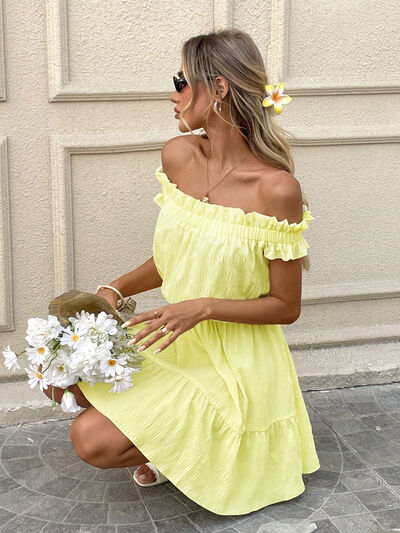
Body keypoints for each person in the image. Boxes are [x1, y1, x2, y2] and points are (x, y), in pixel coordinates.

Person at [43, 28, 320, 516]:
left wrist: (203, 308)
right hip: (173, 336)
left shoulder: (276, 189)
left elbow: (286, 307)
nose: (172, 95)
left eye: (181, 81)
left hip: (237, 359)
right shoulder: (178, 155)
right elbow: (176, 257)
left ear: (219, 88)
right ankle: (180, 445)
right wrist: (113, 289)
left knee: (91, 438)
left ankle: (192, 451)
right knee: (61, 380)